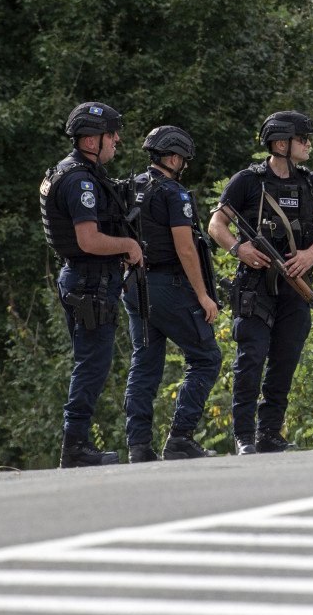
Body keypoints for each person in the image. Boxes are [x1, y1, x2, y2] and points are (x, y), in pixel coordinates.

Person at [207, 111, 313, 454]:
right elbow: (216, 225)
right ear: (281, 144)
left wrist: (309, 255)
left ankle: (269, 433)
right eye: (302, 139)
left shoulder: (311, 182)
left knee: (285, 359)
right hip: (255, 285)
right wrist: (239, 249)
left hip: (296, 284)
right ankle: (244, 437)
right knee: (251, 358)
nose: (308, 144)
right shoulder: (248, 181)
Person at [39, 102, 142, 467]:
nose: (116, 140)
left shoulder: (78, 172)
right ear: (90, 138)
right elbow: (88, 239)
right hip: (89, 281)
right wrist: (128, 246)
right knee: (92, 363)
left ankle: (77, 443)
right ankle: (75, 445)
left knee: (92, 361)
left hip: (88, 279)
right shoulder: (80, 180)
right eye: (111, 134)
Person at [122, 126, 223, 463]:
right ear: (175, 157)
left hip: (134, 284)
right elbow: (185, 249)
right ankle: (180, 436)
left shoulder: (130, 187)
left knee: (145, 364)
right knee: (206, 358)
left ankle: (138, 445)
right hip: (168, 285)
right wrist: (204, 296)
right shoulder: (173, 193)